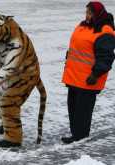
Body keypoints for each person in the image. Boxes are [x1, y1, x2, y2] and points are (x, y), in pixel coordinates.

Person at [62, 1, 115, 144]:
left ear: (97, 14)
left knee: (83, 111)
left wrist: (95, 74)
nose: (87, 15)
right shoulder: (83, 26)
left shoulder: (105, 31)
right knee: (72, 108)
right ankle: (76, 135)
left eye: (90, 13)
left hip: (89, 79)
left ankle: (80, 138)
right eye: (86, 12)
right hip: (73, 76)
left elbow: (106, 57)